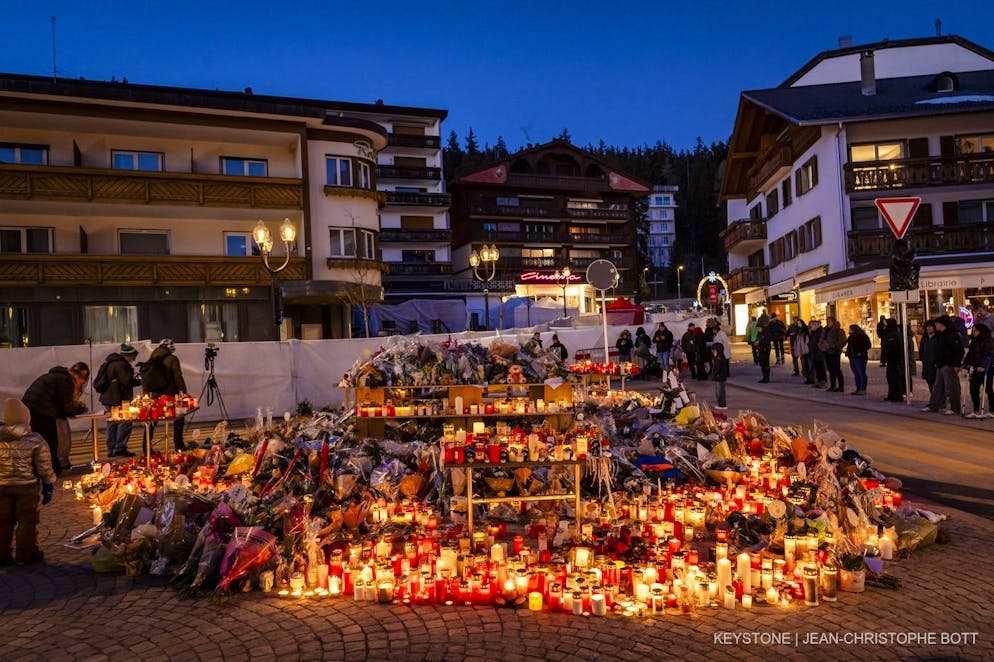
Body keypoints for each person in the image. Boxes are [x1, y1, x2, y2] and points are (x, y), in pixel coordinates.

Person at [0, 398, 56, 565]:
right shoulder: (35, 439)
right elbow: (44, 465)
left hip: (2, 486)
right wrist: (48, 482)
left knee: (3, 520)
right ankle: (26, 553)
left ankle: (2, 554)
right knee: (27, 520)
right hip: (27, 487)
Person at [22, 362, 88, 475]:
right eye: (81, 381)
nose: (80, 384)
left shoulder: (54, 377)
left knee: (37, 442)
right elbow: (67, 408)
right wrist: (81, 409)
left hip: (29, 409)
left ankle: (40, 470)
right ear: (78, 378)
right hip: (42, 412)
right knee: (50, 443)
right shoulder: (67, 381)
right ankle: (52, 471)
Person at [97, 343, 141, 457]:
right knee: (125, 422)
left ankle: (111, 449)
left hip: (108, 397)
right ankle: (120, 448)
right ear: (128, 355)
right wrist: (139, 380)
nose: (134, 359)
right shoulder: (121, 364)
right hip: (118, 398)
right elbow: (126, 381)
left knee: (112, 423)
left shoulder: (110, 362)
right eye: (133, 356)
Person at [143, 340, 188, 452]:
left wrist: (146, 394)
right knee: (179, 417)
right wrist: (183, 391)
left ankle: (146, 446)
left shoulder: (152, 358)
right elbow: (178, 376)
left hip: (156, 394)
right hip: (171, 394)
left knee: (153, 420)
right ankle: (178, 444)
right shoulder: (172, 359)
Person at [921, 315, 964, 415]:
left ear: (942, 325)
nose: (935, 326)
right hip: (940, 364)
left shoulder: (952, 335)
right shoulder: (940, 335)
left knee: (951, 387)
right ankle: (934, 405)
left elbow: (958, 350)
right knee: (937, 386)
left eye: (936, 324)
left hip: (949, 364)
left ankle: (955, 408)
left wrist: (957, 364)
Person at [963, 323, 994, 418]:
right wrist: (966, 363)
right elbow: (970, 354)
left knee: (988, 389)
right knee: (973, 389)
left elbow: (989, 354)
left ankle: (992, 410)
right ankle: (976, 411)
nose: (974, 332)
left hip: (986, 369)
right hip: (975, 368)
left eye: (975, 330)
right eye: (973, 330)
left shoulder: (988, 341)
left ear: (981, 331)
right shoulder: (974, 341)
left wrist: (983, 366)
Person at [880, 319, 906, 401]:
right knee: (891, 378)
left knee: (894, 378)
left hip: (894, 360)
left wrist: (887, 354)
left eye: (885, 325)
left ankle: (897, 395)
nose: (884, 327)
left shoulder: (893, 335)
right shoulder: (890, 334)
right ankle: (892, 394)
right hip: (891, 360)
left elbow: (893, 348)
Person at [822, 317, 847, 392]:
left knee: (837, 369)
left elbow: (843, 341)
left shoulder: (838, 330)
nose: (828, 323)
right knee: (830, 370)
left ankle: (841, 386)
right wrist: (822, 345)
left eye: (829, 321)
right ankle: (833, 385)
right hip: (827, 351)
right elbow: (822, 339)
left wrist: (834, 345)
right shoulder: (826, 330)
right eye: (827, 321)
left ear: (833, 322)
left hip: (835, 352)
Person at [846, 324, 872, 395]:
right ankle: (858, 388)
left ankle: (862, 389)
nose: (849, 330)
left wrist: (859, 350)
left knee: (861, 373)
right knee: (856, 373)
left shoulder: (861, 336)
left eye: (850, 329)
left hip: (860, 356)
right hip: (853, 356)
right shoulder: (851, 336)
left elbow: (868, 345)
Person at [807, 320, 828, 388]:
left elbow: (821, 342)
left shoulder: (820, 332)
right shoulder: (813, 332)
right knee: (817, 368)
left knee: (821, 368)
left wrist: (819, 349)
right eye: (811, 325)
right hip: (814, 353)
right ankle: (819, 381)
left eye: (813, 325)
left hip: (819, 353)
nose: (811, 326)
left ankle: (823, 382)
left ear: (817, 325)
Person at [919, 320, 938, 394]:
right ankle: (934, 397)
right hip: (926, 363)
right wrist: (922, 358)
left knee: (935, 382)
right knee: (929, 381)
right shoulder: (925, 338)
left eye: (930, 326)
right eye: (927, 327)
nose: (929, 328)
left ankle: (937, 398)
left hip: (935, 364)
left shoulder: (937, 338)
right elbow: (921, 349)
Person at [710, 344, 728, 410]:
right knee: (719, 391)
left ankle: (722, 405)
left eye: (714, 351)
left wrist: (714, 375)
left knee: (720, 391)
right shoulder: (719, 357)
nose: (713, 352)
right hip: (720, 377)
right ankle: (721, 404)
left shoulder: (719, 358)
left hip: (720, 377)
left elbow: (717, 367)